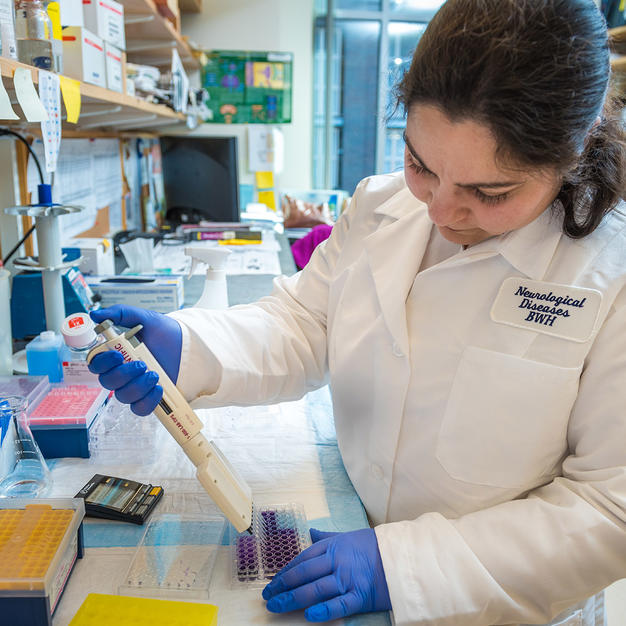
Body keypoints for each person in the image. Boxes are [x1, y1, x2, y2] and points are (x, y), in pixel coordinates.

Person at [88, 0, 626, 623]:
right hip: (343, 530)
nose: (442, 212)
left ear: (575, 147)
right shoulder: (380, 205)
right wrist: (192, 345)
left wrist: (404, 566)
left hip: (489, 599)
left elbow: (609, 506)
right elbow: (306, 322)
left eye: (491, 193)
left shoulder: (609, 273)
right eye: (421, 164)